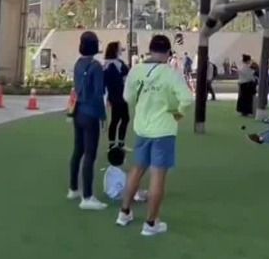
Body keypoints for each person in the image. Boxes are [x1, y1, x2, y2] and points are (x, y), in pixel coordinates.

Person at [116, 34, 193, 237]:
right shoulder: (171, 74)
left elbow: (127, 97)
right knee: (158, 175)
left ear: (150, 50)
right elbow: (187, 98)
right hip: (164, 130)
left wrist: (142, 107)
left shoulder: (136, 71)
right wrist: (178, 113)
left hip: (142, 128)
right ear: (168, 53)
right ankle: (151, 223)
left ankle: (124, 212)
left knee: (137, 169)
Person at [68, 31, 107, 211]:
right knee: (90, 154)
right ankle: (88, 196)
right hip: (91, 114)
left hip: (77, 112)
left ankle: (73, 188)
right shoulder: (96, 66)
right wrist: (103, 116)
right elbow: (99, 94)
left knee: (78, 150)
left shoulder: (78, 63)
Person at [103, 41, 131, 149]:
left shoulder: (115, 62)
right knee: (118, 119)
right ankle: (114, 144)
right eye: (119, 47)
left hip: (118, 95)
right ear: (115, 50)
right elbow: (114, 79)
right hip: (117, 95)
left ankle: (118, 143)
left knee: (122, 118)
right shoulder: (111, 64)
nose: (121, 49)